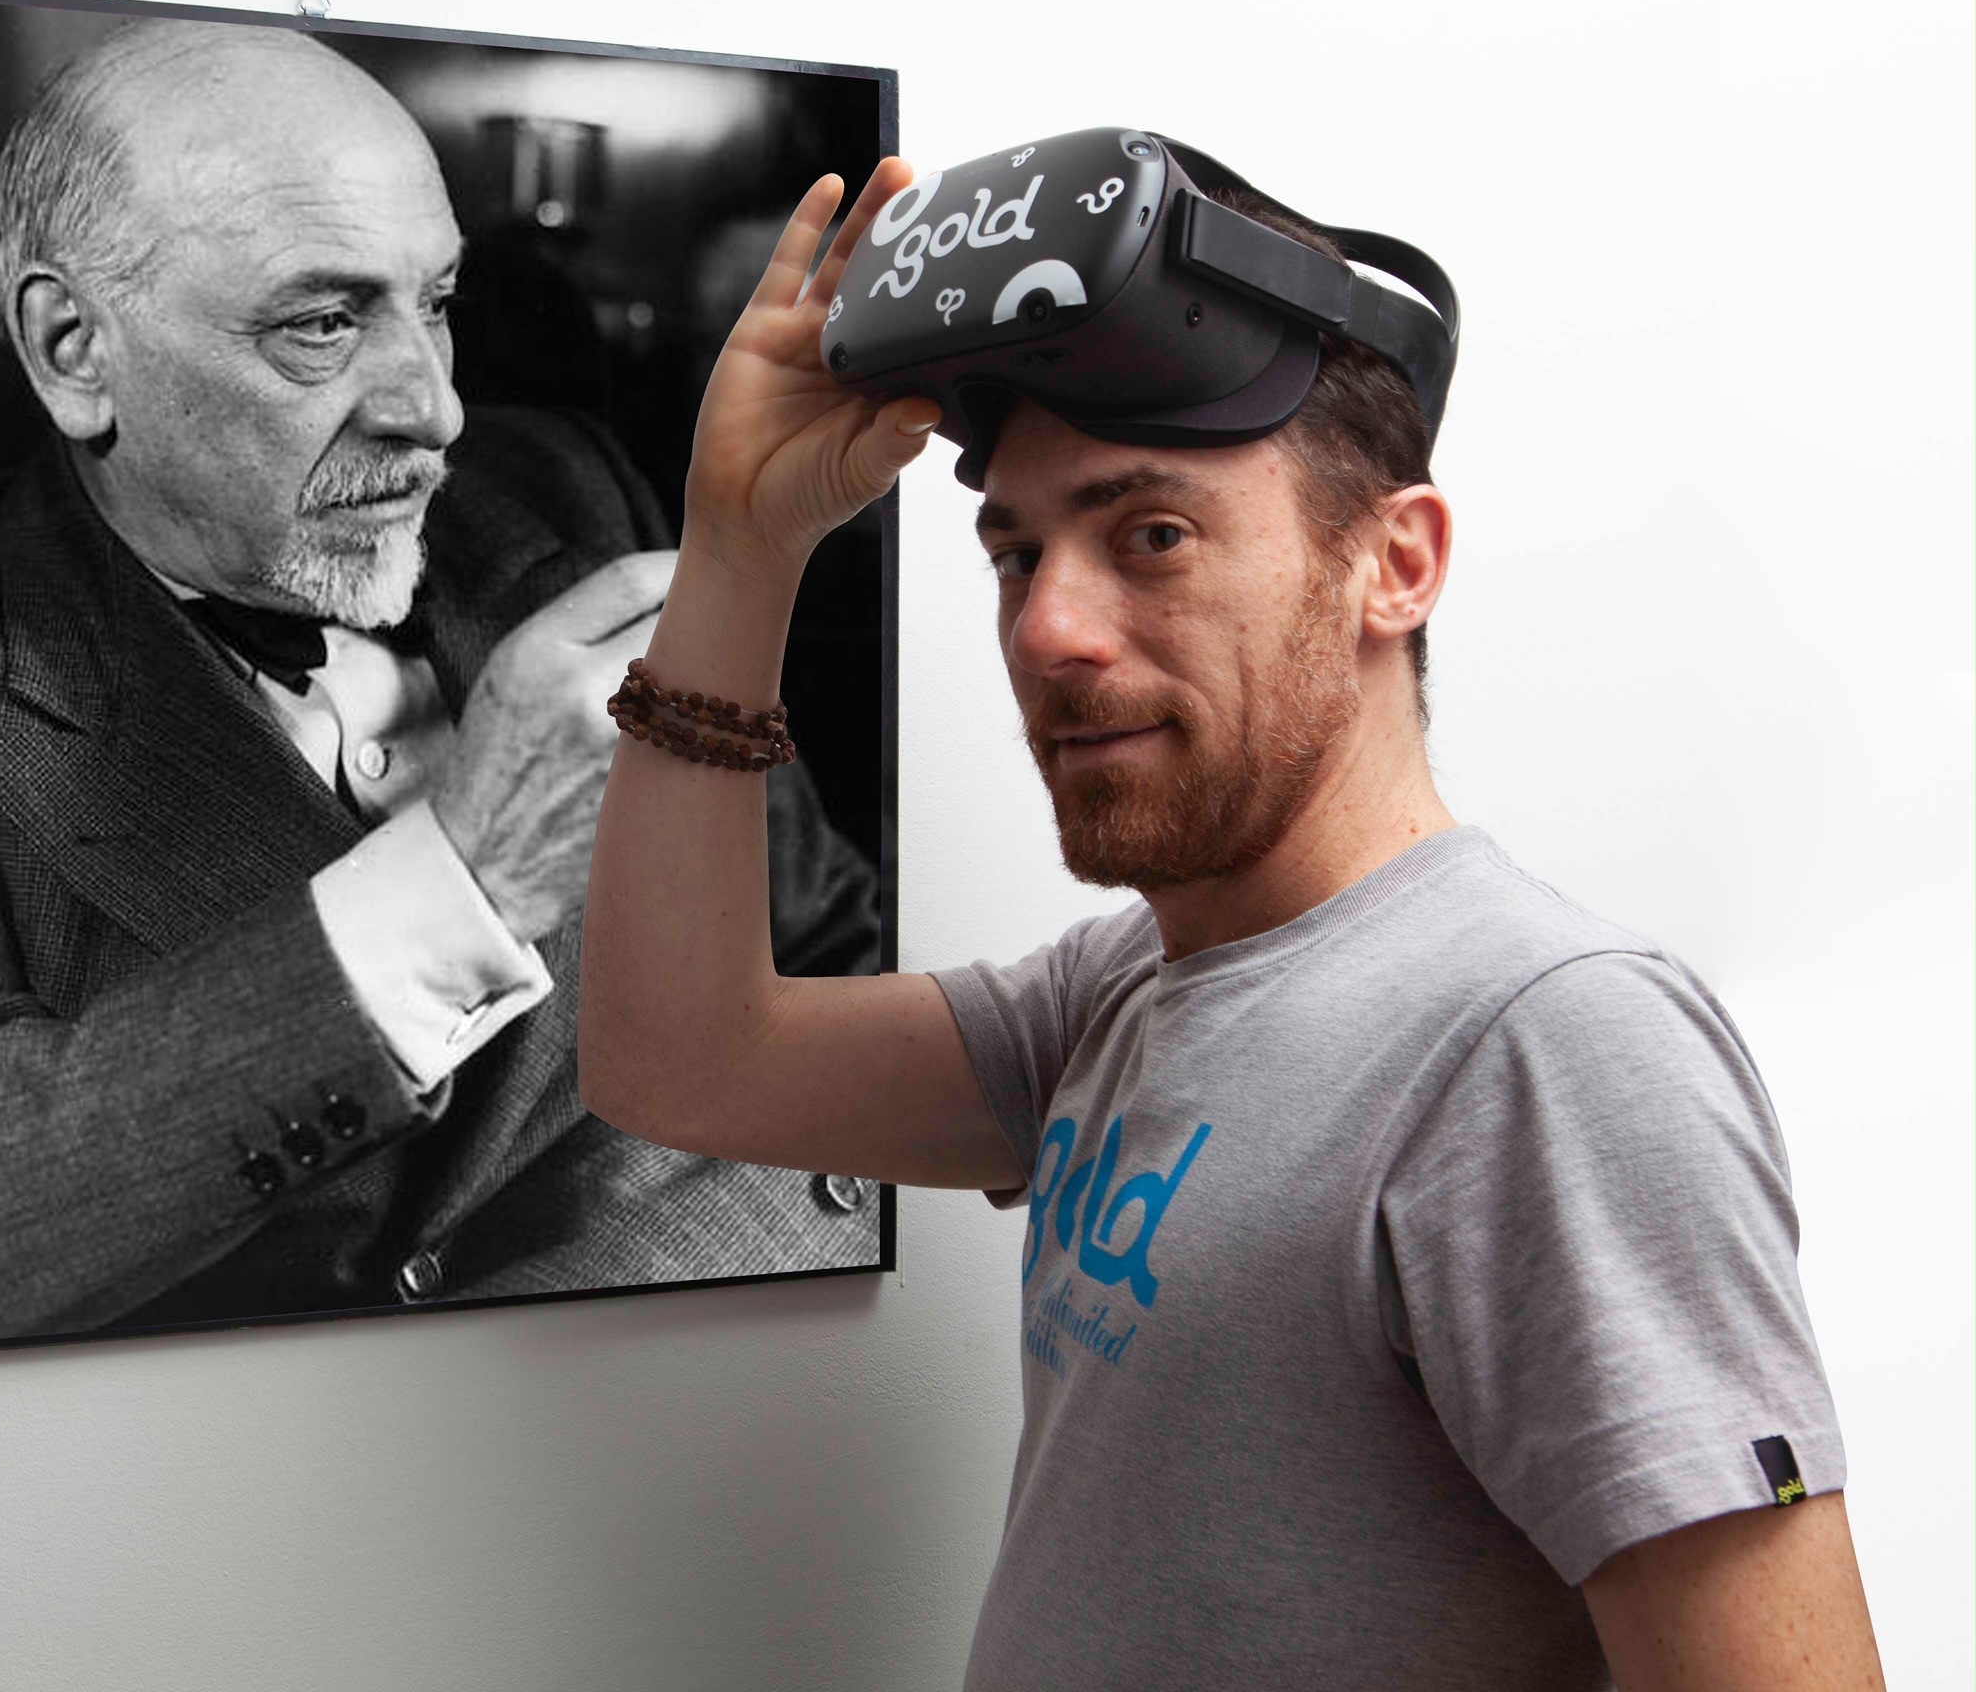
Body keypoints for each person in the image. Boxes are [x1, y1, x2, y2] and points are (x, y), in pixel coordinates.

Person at [579, 159, 1883, 1687]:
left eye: (1152, 536)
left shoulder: (1547, 1046)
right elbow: (680, 1062)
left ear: (1395, 564)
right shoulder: (1126, 990)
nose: (1047, 629)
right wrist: (740, 542)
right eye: (1016, 553)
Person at [0, 22, 881, 1350]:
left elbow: (825, 943)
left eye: (436, 303)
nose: (436, 412)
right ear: (73, 351)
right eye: (322, 324)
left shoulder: (564, 491)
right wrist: (467, 880)